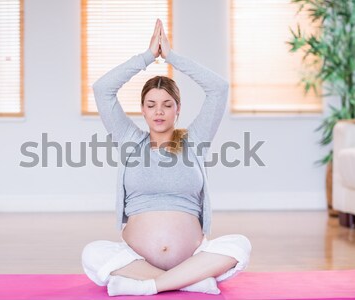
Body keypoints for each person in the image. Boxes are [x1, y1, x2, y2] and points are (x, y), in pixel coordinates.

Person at [81, 19, 252, 296]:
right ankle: (190, 281)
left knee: (240, 245)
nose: (158, 111)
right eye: (151, 105)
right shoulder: (129, 142)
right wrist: (148, 58)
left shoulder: (194, 141)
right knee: (92, 253)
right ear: (143, 111)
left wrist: (171, 57)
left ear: (178, 109)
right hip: (138, 259)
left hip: (192, 255)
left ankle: (150, 285)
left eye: (166, 105)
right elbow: (103, 90)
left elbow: (218, 89)